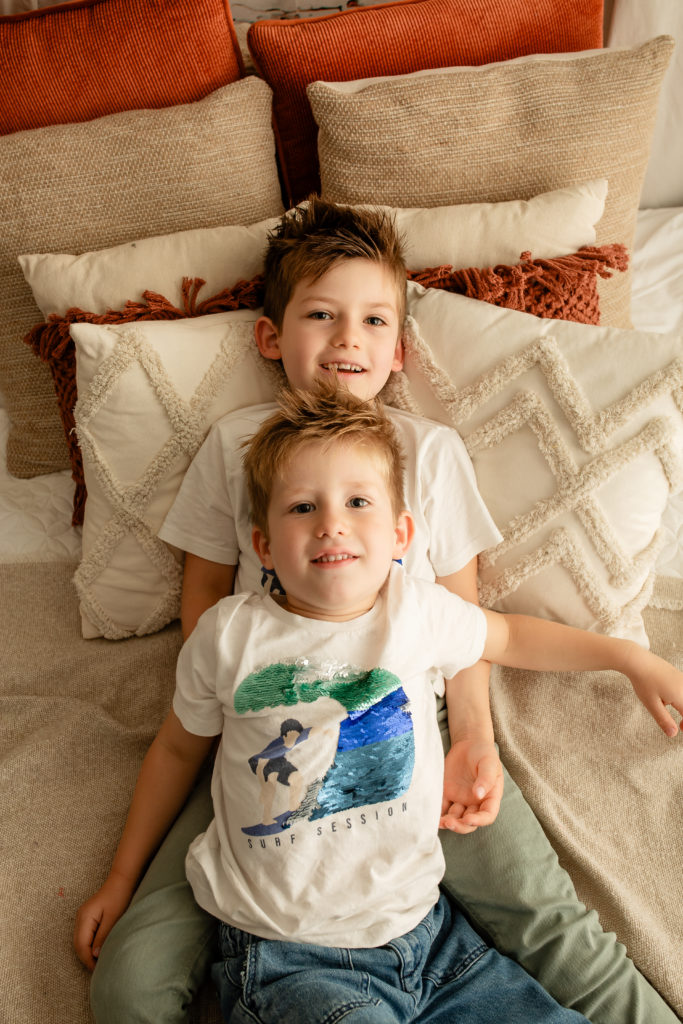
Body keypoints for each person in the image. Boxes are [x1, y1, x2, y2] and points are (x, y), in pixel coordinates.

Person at [81, 199, 682, 1024]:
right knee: (127, 982)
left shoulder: (427, 451)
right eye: (320, 315)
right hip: (263, 725)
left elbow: (471, 625)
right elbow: (203, 603)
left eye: (372, 320)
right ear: (270, 337)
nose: (346, 339)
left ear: (398, 349)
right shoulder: (234, 446)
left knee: (550, 924)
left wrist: (474, 737)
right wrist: (251, 708)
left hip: (413, 720)